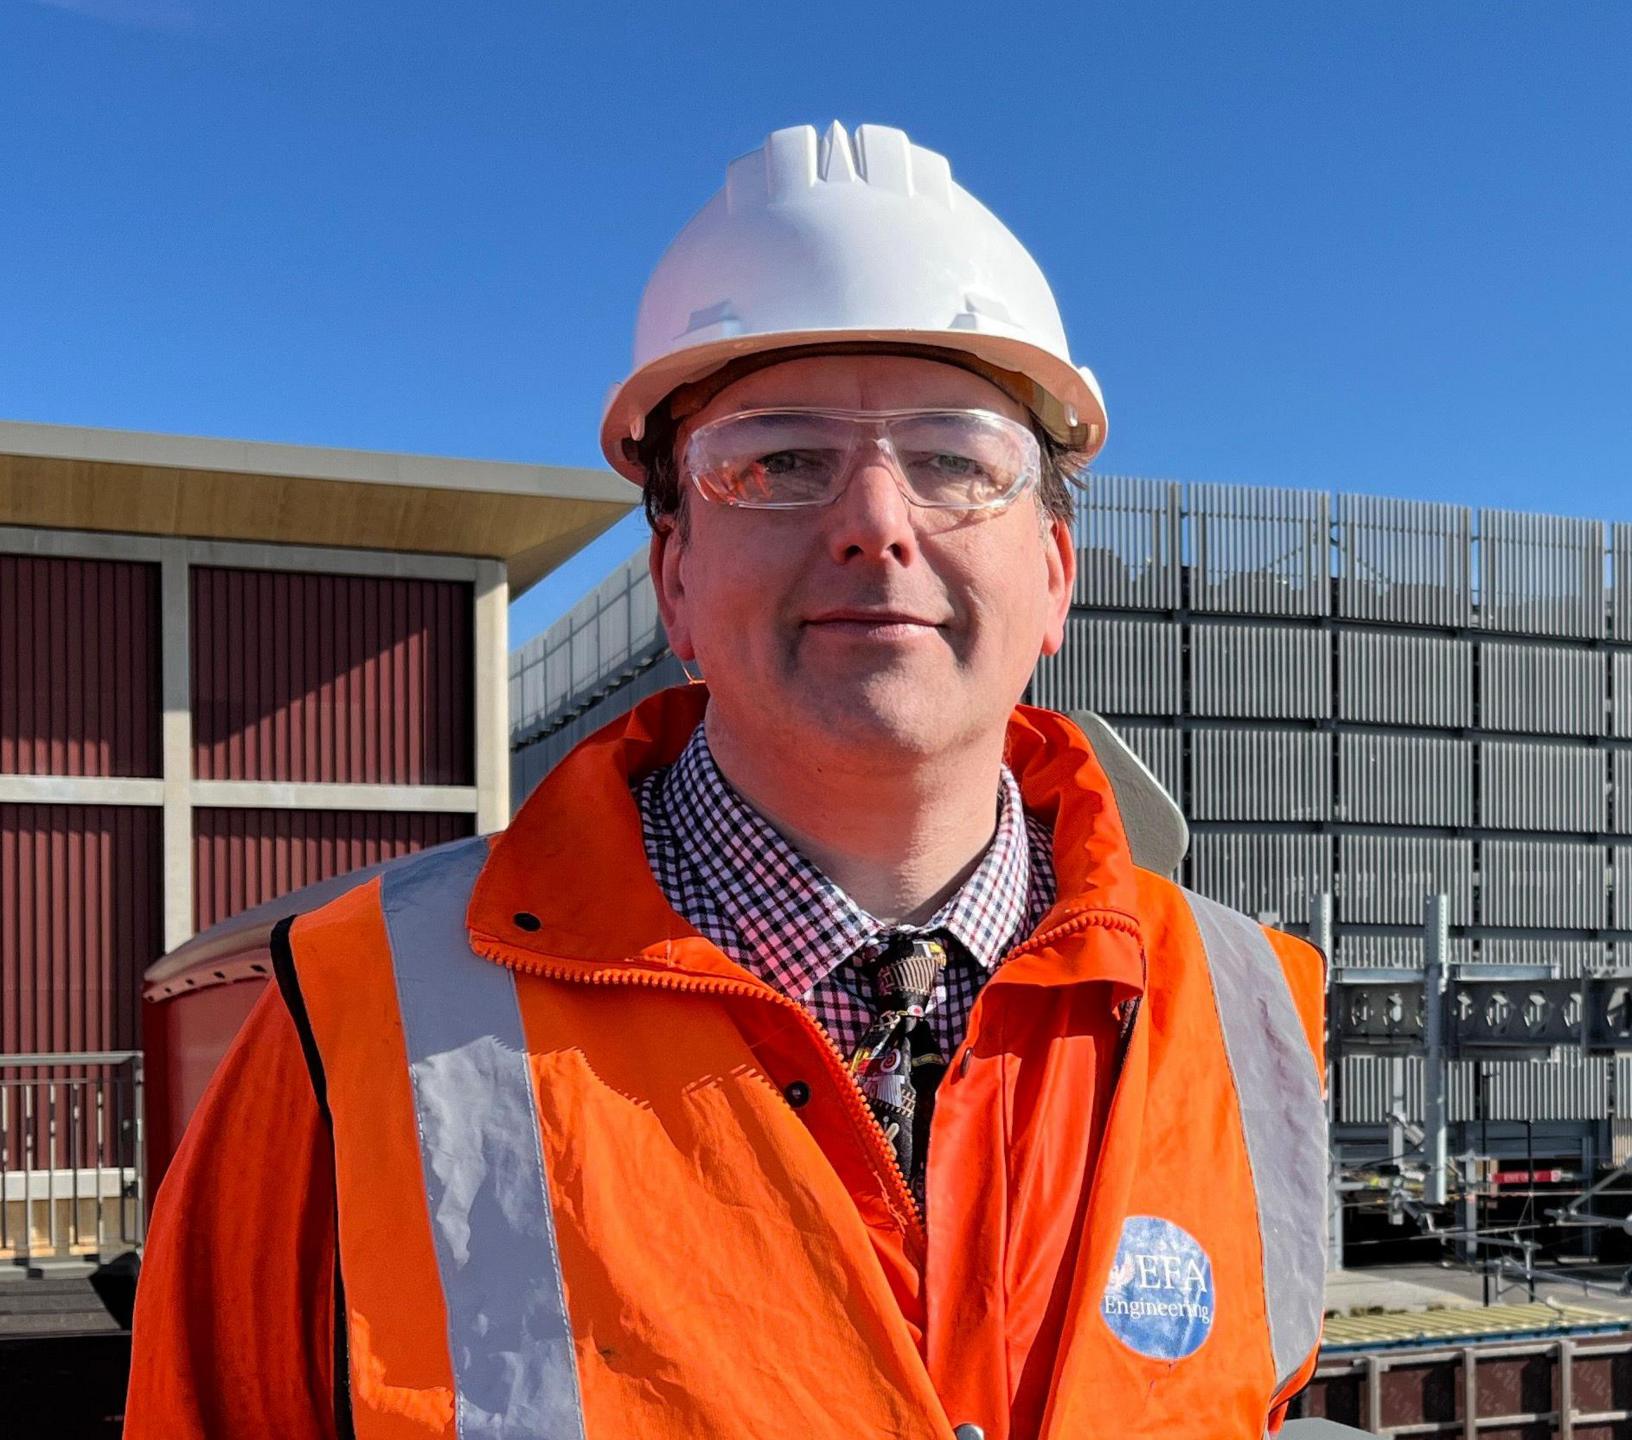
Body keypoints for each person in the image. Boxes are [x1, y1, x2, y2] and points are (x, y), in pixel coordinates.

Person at [125, 120, 1329, 1440]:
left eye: (954, 459)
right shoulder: (348, 1031)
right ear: (676, 582)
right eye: (779, 459)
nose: (877, 519)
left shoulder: (1251, 1019)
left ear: (1052, 575)